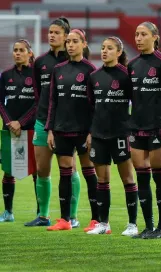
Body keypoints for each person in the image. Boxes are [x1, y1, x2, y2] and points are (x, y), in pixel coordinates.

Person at [27, 17, 82, 227]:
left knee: (69, 167)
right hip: (43, 121)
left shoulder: (74, 60)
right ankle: (43, 216)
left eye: (56, 32)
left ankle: (73, 217)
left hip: (66, 124)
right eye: (50, 32)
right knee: (42, 169)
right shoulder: (40, 62)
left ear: (66, 36)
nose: (51, 35)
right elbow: (39, 94)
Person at [45, 29, 98, 231]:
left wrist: (92, 131)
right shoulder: (58, 70)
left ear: (84, 44)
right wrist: (50, 129)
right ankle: (64, 220)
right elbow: (52, 102)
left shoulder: (91, 70)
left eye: (75, 41)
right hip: (61, 129)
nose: (70, 45)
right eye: (68, 41)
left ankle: (95, 219)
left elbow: (95, 105)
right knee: (64, 173)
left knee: (89, 173)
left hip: (83, 131)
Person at [86, 36, 138, 236]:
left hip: (121, 134)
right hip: (99, 134)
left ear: (119, 52)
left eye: (109, 48)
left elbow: (137, 103)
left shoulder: (126, 76)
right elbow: (91, 106)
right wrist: (91, 132)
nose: (105, 51)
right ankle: (103, 223)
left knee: (128, 179)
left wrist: (130, 127)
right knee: (102, 180)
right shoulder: (94, 76)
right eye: (103, 48)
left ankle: (132, 224)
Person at [128, 22, 161, 239]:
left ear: (155, 37)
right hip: (136, 127)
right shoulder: (132, 64)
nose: (138, 38)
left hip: (158, 128)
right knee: (142, 177)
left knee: (159, 176)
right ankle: (148, 226)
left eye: (143, 34)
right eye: (136, 34)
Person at [0, 39, 37, 222]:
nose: (17, 53)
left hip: (32, 129)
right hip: (9, 130)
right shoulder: (5, 75)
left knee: (37, 171)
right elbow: (0, 102)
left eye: (21, 50)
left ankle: (40, 212)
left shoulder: (36, 75)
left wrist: (21, 122)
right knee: (8, 170)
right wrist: (9, 123)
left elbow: (39, 103)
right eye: (15, 50)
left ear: (30, 53)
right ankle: (8, 212)